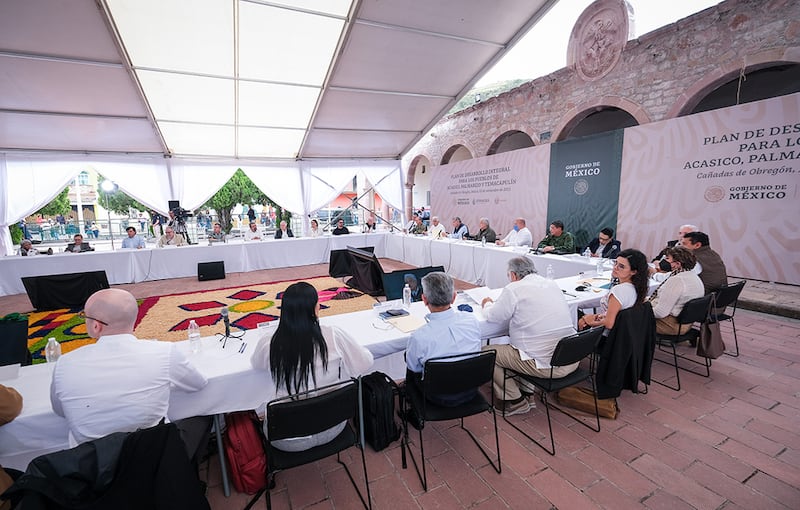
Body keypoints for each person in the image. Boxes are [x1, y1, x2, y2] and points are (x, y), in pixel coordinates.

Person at [50, 289, 209, 458]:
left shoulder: (65, 364)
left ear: (96, 325)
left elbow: (60, 411)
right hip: (155, 460)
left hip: (93, 470)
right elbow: (198, 384)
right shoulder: (163, 352)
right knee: (204, 416)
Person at [251, 282, 373, 451]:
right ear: (316, 308)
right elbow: (365, 363)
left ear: (283, 312)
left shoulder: (270, 343)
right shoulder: (333, 335)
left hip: (286, 438)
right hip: (333, 427)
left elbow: (256, 365)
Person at [480, 257, 577, 415]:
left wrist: (487, 303)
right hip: (571, 358)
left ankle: (513, 401)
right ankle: (527, 393)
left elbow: (494, 316)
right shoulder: (551, 283)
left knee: (487, 353)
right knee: (526, 346)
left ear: (512, 275)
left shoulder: (514, 289)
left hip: (548, 366)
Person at [405, 272, 481, 407]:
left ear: (424, 299)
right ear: (454, 298)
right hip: (471, 390)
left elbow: (414, 368)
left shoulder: (419, 336)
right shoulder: (471, 320)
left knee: (410, 361)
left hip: (435, 396)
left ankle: (412, 408)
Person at [580, 249, 649, 331]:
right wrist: (602, 316)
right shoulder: (637, 288)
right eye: (615, 263)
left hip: (608, 335)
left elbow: (609, 324)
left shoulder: (618, 291)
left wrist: (588, 320)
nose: (615, 268)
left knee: (578, 317)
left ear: (633, 272)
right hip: (624, 332)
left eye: (621, 266)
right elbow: (619, 315)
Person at [648, 246, 705, 335]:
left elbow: (660, 313)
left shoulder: (677, 281)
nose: (664, 261)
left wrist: (640, 309)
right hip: (685, 324)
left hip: (670, 325)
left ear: (677, 264)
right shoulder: (693, 276)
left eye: (667, 259)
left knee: (626, 316)